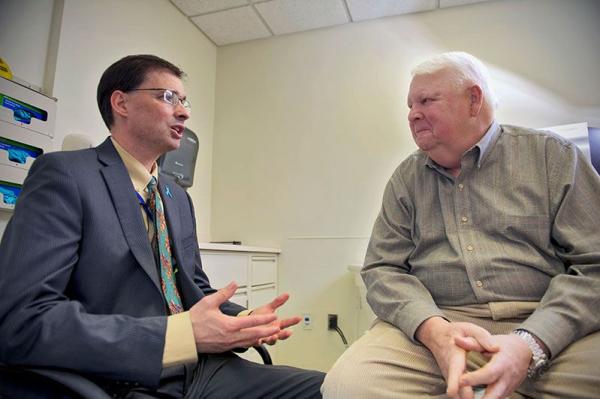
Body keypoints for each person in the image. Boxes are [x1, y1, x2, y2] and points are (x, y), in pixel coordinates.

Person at [0, 54, 324, 398]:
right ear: (120, 102)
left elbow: (193, 287)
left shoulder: (176, 196)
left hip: (203, 368)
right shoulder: (66, 175)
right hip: (123, 379)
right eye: (167, 97)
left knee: (339, 388)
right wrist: (182, 336)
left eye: (184, 101)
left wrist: (243, 320)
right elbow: (21, 320)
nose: (183, 112)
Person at [322, 52, 600, 398]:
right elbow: (382, 269)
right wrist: (434, 331)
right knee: (348, 386)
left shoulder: (553, 157)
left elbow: (595, 267)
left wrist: (531, 343)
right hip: (441, 321)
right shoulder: (406, 178)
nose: (412, 114)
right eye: (409, 105)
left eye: (425, 101)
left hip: (546, 317)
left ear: (473, 99)